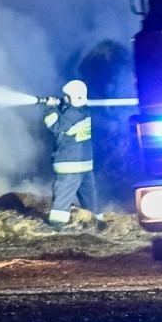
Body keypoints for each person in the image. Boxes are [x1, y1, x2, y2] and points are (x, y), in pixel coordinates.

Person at [45, 79, 96, 226]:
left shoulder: (72, 114)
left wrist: (51, 108)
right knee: (90, 199)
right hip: (85, 165)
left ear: (71, 98)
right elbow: (69, 120)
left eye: (66, 96)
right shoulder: (84, 111)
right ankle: (96, 223)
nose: (64, 98)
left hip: (69, 165)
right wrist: (61, 106)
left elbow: (54, 125)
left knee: (62, 199)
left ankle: (56, 226)